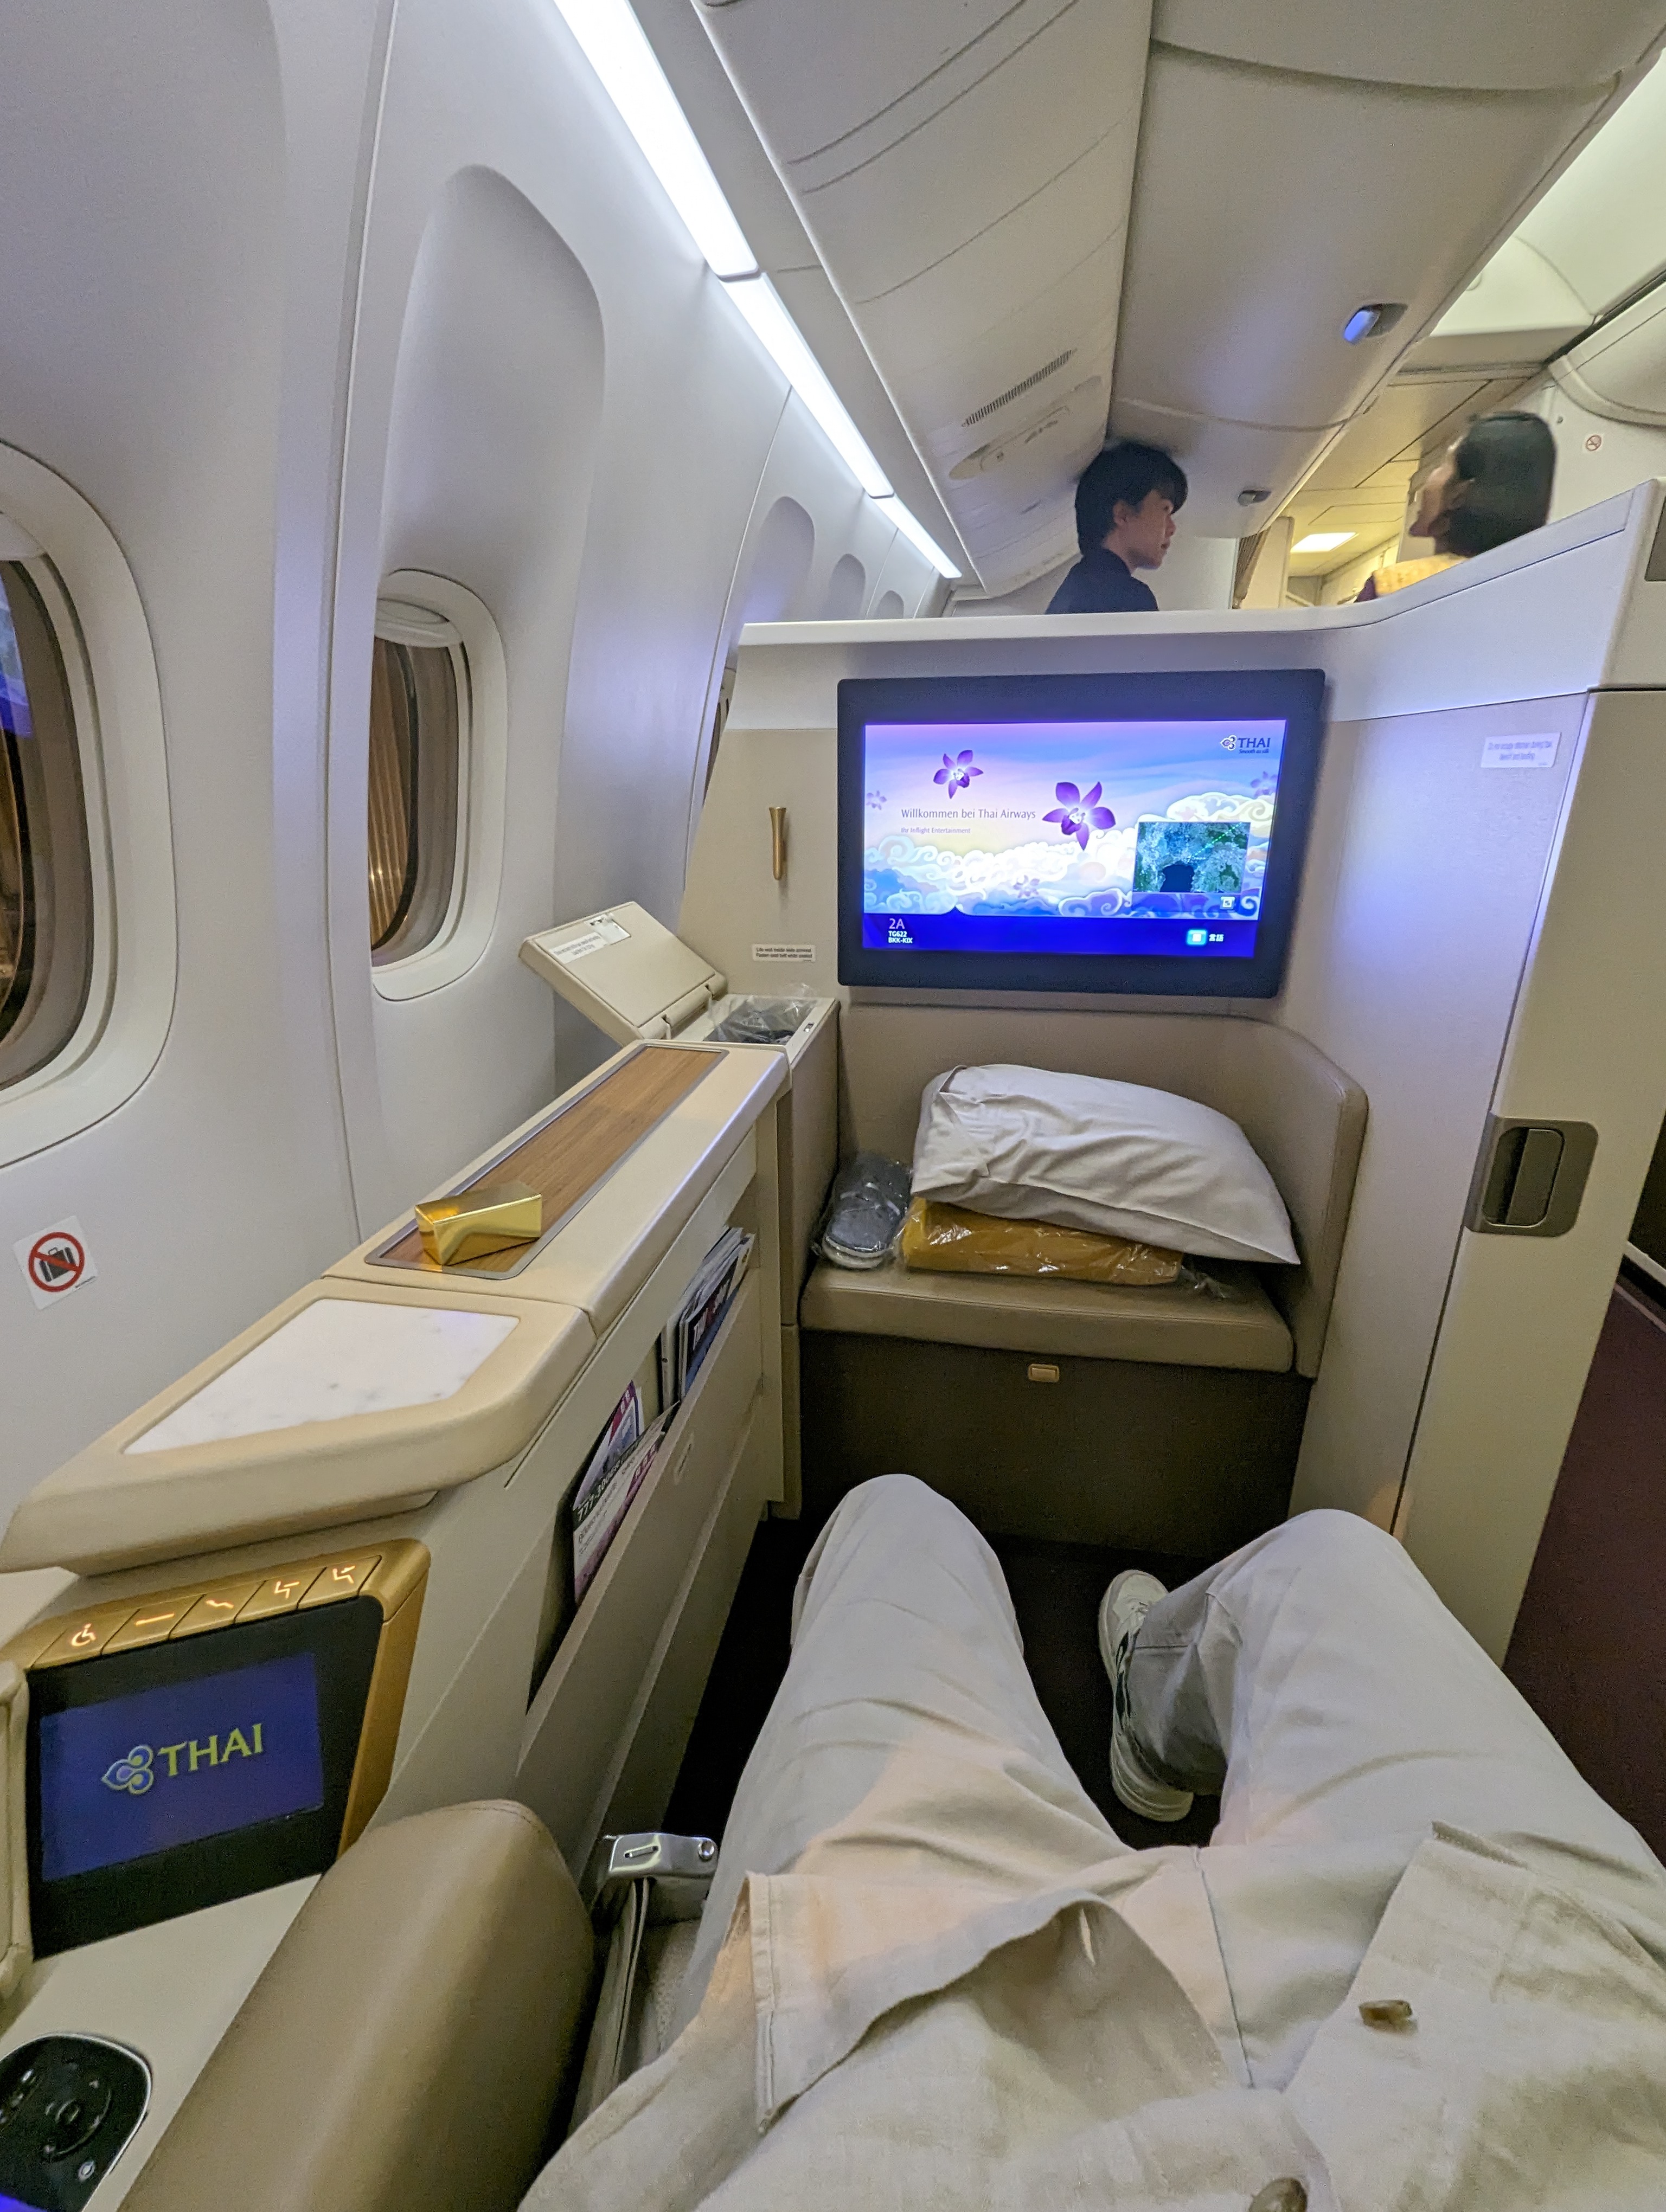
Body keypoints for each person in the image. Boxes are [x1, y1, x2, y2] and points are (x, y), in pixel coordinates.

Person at [529, 1475, 1666, 2209]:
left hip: (918, 2062)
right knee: (1332, 1559)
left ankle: (1142, 1716)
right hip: (1544, 2007)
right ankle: (1146, 1716)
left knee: (899, 1519)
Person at [1359, 410, 1556, 601]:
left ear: (1459, 494)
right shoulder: (1549, 586)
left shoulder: (1392, 587)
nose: (1432, 476)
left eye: (1444, 465)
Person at [1048, 442, 1188, 613]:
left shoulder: (1071, 591)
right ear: (1123, 514)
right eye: (1165, 510)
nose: (1172, 528)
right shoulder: (1129, 597)